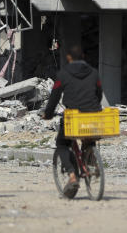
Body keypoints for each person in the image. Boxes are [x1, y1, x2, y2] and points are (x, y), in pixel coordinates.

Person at [42, 43, 103, 197]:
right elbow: (99, 93)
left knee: (62, 144)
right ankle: (91, 160)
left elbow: (55, 96)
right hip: (92, 115)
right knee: (89, 138)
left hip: (73, 116)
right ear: (83, 57)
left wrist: (48, 114)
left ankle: (72, 175)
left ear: (68, 58)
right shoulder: (94, 73)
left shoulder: (63, 74)